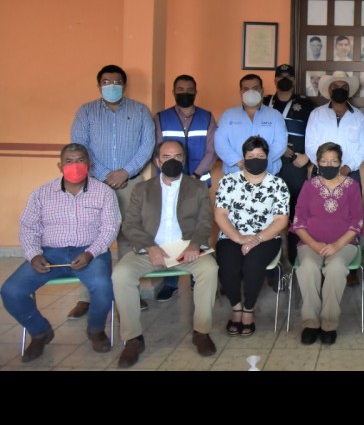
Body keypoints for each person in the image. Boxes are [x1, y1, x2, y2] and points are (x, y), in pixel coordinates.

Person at [1, 143, 119, 362]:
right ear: (60, 165)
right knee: (11, 291)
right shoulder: (42, 193)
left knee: (104, 287)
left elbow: (110, 228)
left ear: (89, 164)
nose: (75, 165)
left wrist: (91, 253)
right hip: (50, 253)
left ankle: (95, 330)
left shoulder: (104, 193)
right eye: (69, 161)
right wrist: (33, 254)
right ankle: (40, 332)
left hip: (90, 252)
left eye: (80, 160)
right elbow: (28, 227)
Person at [112, 140, 218, 367]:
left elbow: (205, 222)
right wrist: (150, 246)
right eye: (166, 157)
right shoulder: (142, 189)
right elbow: (130, 225)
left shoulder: (197, 187)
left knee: (209, 269)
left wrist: (195, 244)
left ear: (184, 160)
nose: (172, 161)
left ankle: (201, 332)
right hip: (150, 249)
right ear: (157, 161)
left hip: (185, 247)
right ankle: (133, 338)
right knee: (121, 275)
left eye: (178, 156)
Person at [69, 64, 155, 318]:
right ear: (99, 85)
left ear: (124, 85)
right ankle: (86, 296)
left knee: (130, 237)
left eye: (117, 82)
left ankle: (130, 292)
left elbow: (147, 144)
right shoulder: (86, 112)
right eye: (106, 82)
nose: (112, 86)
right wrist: (106, 174)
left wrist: (125, 172)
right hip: (96, 183)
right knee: (92, 237)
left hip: (132, 183)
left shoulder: (140, 110)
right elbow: (79, 147)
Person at [214, 136, 289, 338]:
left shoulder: (278, 184)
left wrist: (256, 239)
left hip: (266, 238)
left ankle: (248, 309)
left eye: (260, 156)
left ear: (267, 158)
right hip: (231, 236)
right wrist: (239, 238)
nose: (256, 159)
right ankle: (236, 308)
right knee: (229, 263)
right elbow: (220, 215)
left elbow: (281, 220)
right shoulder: (228, 182)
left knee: (252, 264)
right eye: (251, 156)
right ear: (244, 158)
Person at [290, 142, 364, 345]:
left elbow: (357, 222)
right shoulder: (309, 186)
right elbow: (298, 222)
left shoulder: (352, 186)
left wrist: (336, 246)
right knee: (308, 267)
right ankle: (311, 323)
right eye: (324, 161)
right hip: (310, 243)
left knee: (335, 268)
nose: (329, 165)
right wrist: (314, 245)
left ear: (340, 163)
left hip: (344, 244)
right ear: (317, 163)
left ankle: (329, 324)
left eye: (333, 161)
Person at [153, 74, 218, 302]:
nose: (185, 93)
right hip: (168, 183)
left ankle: (196, 276)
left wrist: (195, 176)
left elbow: (212, 150)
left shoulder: (207, 117)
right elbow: (157, 150)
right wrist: (172, 175)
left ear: (196, 92)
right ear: (173, 92)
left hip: (198, 182)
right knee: (169, 227)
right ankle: (170, 281)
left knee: (198, 225)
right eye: (180, 89)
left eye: (189, 89)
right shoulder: (161, 118)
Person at [262, 64, 315, 266]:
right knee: (268, 211)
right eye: (280, 76)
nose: (284, 79)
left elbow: (316, 133)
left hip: (295, 166)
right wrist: (278, 148)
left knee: (295, 213)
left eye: (288, 76)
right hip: (269, 165)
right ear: (274, 80)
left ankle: (293, 261)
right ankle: (270, 262)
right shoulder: (265, 102)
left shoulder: (306, 104)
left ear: (294, 80)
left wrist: (308, 157)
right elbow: (256, 131)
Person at [214, 73, 288, 177]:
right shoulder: (228, 115)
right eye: (246, 89)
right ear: (240, 92)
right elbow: (220, 142)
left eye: (255, 88)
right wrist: (239, 162)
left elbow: (281, 142)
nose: (250, 92)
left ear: (262, 91)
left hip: (268, 175)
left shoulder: (275, 115)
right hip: (235, 174)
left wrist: (261, 162)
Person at [305, 71, 364, 187]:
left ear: (348, 91)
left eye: (344, 87)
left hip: (350, 173)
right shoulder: (317, 114)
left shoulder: (359, 116)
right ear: (329, 90)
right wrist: (325, 165)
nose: (340, 90)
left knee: (351, 200)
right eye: (335, 87)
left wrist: (348, 167)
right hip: (322, 171)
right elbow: (310, 145)